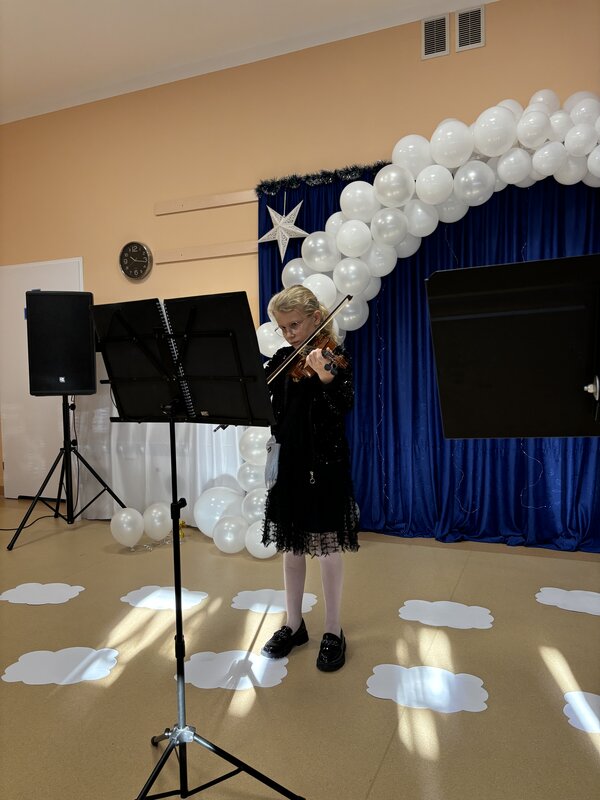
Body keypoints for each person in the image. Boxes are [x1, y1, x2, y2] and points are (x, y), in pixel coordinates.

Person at [260, 285, 360, 672]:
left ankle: (333, 629)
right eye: (282, 328)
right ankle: (294, 624)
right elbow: (267, 402)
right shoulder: (282, 360)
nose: (289, 334)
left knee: (329, 548)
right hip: (290, 463)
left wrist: (325, 378)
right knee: (293, 547)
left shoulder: (333, 358)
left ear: (316, 318)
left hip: (325, 464)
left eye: (295, 325)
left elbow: (343, 405)